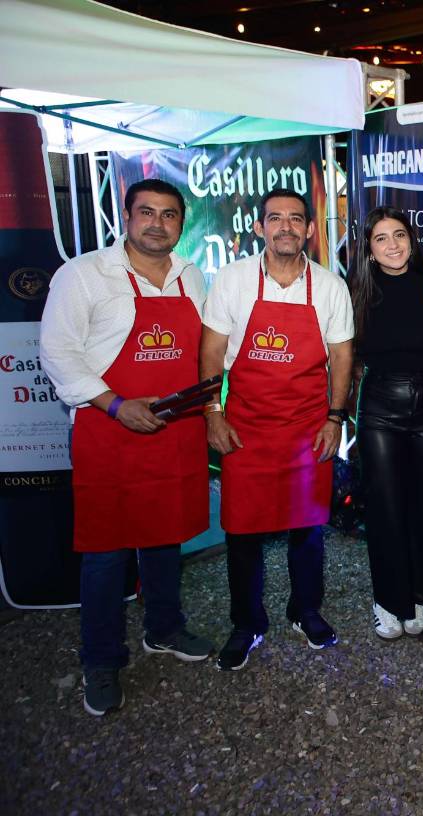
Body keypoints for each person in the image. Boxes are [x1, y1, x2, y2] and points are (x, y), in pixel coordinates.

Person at [40, 178, 213, 716]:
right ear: (126, 216)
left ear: (181, 223)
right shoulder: (84, 275)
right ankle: (101, 658)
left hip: (174, 431)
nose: (157, 223)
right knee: (106, 552)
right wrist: (116, 404)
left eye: (168, 215)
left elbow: (208, 349)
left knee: (165, 537)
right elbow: (58, 353)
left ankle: (163, 628)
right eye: (146, 212)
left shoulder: (192, 277)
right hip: (107, 430)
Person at [200, 188, 355, 671]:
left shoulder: (330, 285)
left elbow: (342, 357)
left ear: (310, 229)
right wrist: (212, 412)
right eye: (275, 219)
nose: (285, 227)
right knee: (241, 532)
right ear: (259, 227)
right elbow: (211, 350)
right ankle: (246, 622)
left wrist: (335, 419)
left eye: (295, 219)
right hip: (245, 426)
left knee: (308, 528)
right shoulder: (231, 280)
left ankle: (304, 609)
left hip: (308, 425)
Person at [350, 207, 423, 639]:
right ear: (370, 250)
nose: (393, 245)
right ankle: (390, 601)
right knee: (386, 507)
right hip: (379, 410)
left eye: (399, 235)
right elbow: (346, 352)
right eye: (381, 238)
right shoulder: (356, 288)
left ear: (412, 241)